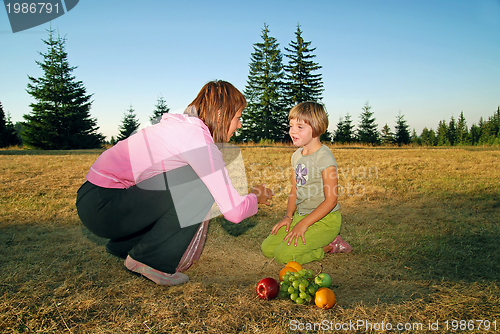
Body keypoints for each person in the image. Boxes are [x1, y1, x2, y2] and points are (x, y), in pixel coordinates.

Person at [76, 80, 273, 286]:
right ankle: (150, 260)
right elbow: (234, 212)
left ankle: (125, 245)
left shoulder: (180, 128)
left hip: (94, 201)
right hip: (106, 209)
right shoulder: (197, 141)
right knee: (201, 183)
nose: (239, 125)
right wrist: (256, 198)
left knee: (187, 178)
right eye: (238, 117)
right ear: (220, 114)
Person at [261, 101, 351, 265]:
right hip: (300, 216)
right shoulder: (296, 156)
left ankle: (330, 246)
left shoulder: (325, 158)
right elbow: (294, 189)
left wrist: (303, 224)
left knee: (283, 256)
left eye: (300, 127)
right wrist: (288, 217)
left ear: (316, 128)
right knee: (267, 249)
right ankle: (304, 230)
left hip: (324, 221)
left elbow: (331, 201)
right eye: (291, 126)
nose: (292, 131)